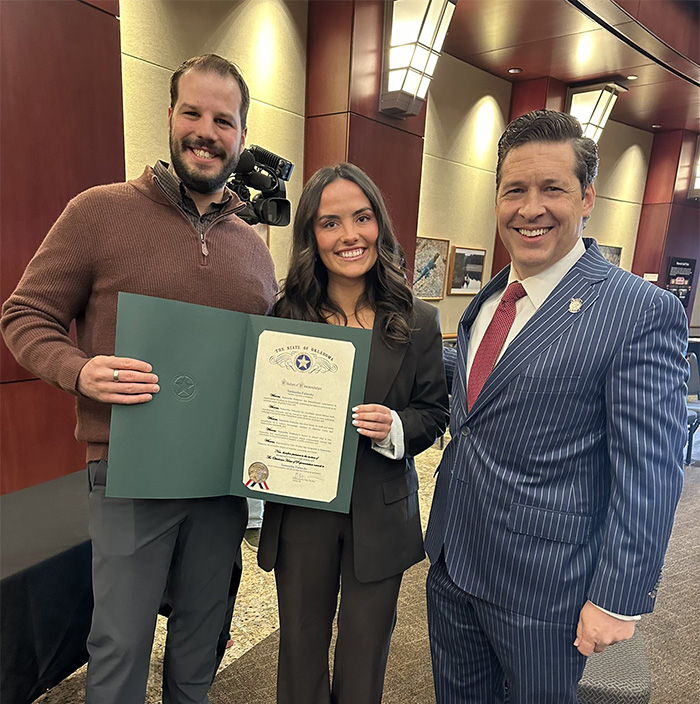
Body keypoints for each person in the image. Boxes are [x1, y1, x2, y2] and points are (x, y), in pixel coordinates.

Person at [1, 54, 277, 704]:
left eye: (224, 119)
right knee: (120, 645)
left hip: (220, 485)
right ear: (172, 117)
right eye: (193, 113)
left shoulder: (253, 247)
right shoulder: (97, 212)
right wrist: (79, 370)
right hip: (130, 471)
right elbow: (24, 315)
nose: (207, 130)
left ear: (240, 135)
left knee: (200, 641)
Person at [424, 110, 688, 703]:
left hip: (548, 592)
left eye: (553, 189)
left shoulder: (635, 311)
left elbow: (649, 470)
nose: (530, 207)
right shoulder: (494, 294)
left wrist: (618, 596)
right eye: (514, 189)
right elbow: (482, 393)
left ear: (587, 196)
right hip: (452, 564)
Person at [257, 162, 449, 704]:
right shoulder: (284, 317)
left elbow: (433, 412)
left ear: (379, 226)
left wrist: (395, 429)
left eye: (361, 218)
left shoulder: (419, 321)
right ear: (311, 236)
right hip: (301, 511)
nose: (349, 236)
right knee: (299, 650)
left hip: (381, 511)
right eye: (330, 222)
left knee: (365, 659)